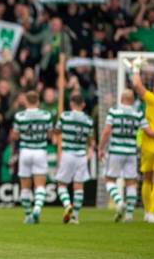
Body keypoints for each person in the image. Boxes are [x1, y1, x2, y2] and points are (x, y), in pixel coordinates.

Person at [98, 89, 154, 222]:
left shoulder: (113, 112)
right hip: (131, 153)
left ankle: (119, 202)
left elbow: (106, 131)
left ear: (121, 99)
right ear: (132, 100)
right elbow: (149, 133)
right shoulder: (138, 114)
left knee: (109, 179)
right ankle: (129, 215)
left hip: (116, 151)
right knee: (131, 183)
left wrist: (100, 148)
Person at [131, 60, 154, 224]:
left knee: (147, 178)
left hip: (150, 143)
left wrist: (136, 67)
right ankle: (152, 213)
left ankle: (147, 212)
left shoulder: (153, 100)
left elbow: (137, 85)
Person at [12, 91, 53, 225]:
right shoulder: (46, 115)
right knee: (40, 184)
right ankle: (37, 209)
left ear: (26, 101)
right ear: (38, 101)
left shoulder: (19, 116)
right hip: (40, 151)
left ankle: (28, 214)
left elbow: (15, 136)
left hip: (25, 152)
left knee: (25, 186)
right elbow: (50, 134)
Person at [53, 93, 94, 224]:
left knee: (61, 184)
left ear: (71, 104)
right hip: (81, 155)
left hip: (68, 154)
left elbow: (57, 131)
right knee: (78, 186)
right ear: (83, 105)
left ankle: (67, 205)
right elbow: (90, 139)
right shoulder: (89, 120)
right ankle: (75, 216)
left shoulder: (65, 116)